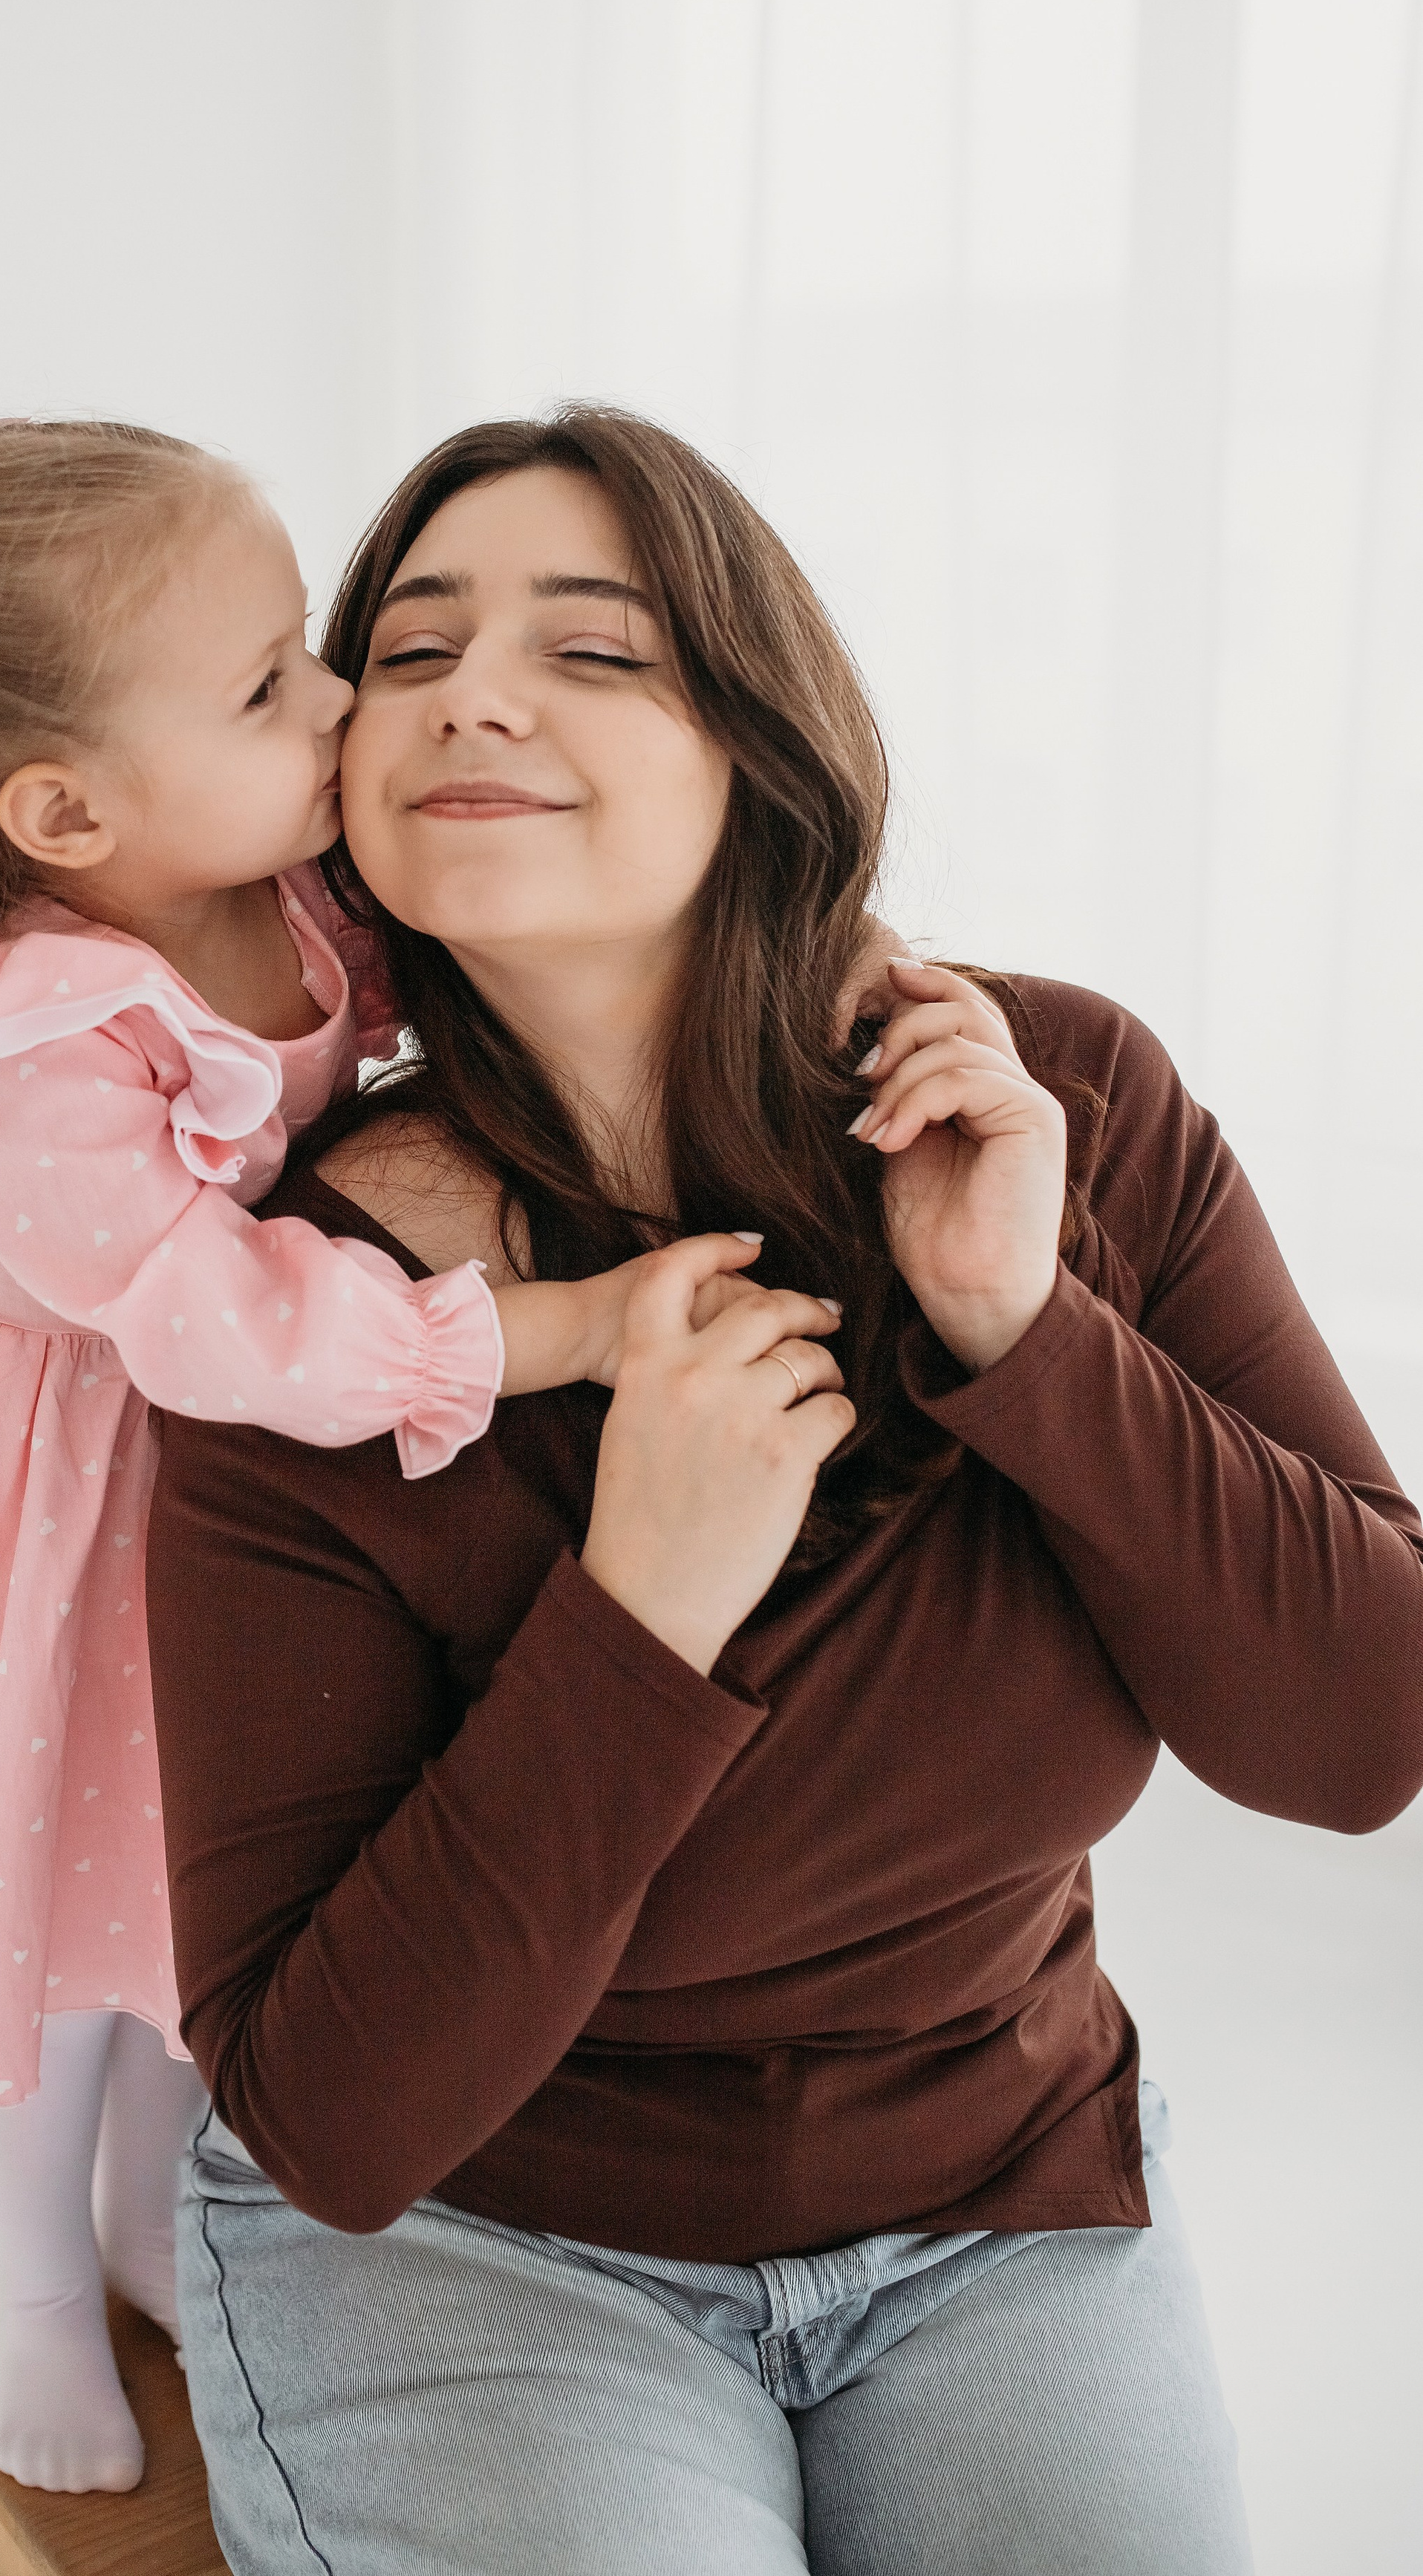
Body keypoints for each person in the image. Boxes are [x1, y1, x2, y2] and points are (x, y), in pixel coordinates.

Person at [143, 406, 1423, 2575]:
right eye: (417, 646)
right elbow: (338, 2113)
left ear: (764, 739)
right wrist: (641, 1610)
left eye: (597, 651)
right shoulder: (287, 1313)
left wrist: (1032, 1332)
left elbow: (1363, 1736)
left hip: (1003, 2206)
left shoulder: (1060, 1105)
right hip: (486, 2249)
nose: (475, 692)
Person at [0, 417, 756, 2494]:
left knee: (181, 1894)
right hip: (61, 1499)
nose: (336, 704)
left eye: (307, 649)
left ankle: (146, 2218)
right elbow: (208, 1315)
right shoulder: (27, 1042)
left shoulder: (279, 892)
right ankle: (39, 2261)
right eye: (267, 688)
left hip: (231, 1483)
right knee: (47, 1902)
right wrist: (532, 1330)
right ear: (63, 809)